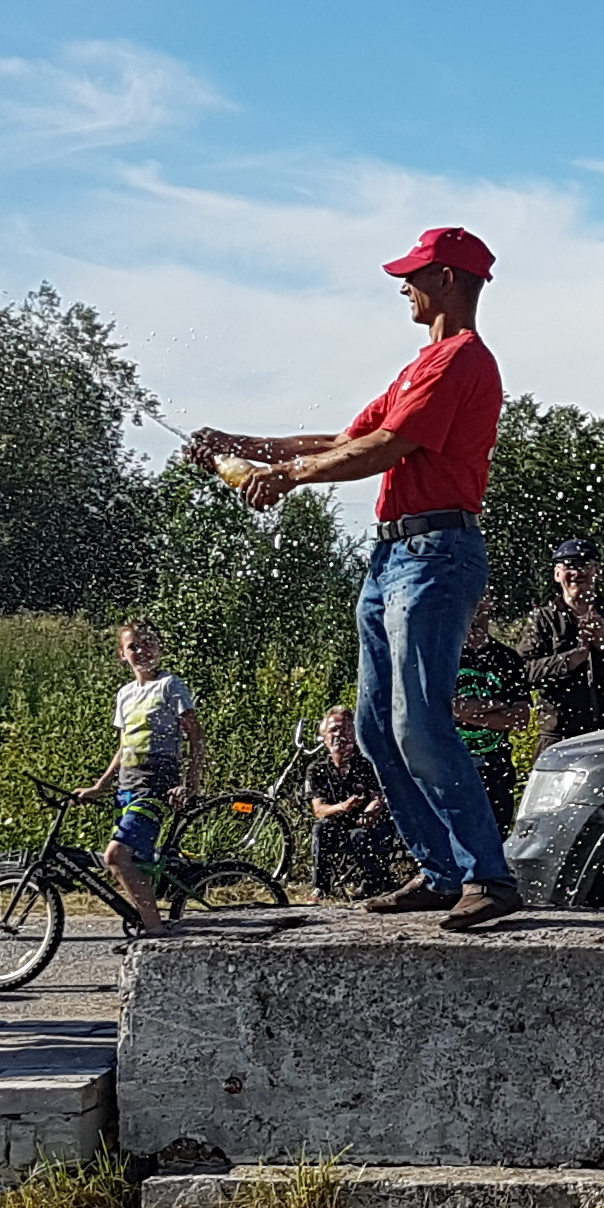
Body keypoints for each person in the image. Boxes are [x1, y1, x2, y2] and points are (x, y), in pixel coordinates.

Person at [192, 226, 522, 931]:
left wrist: (283, 477)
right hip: (392, 560)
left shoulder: (462, 360)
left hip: (436, 554)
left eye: (413, 274)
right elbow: (347, 438)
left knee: (419, 722)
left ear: (448, 280)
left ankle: (487, 878)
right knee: (375, 729)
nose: (401, 285)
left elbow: (387, 447)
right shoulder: (418, 367)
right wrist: (244, 446)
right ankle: (439, 874)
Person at [95, 620, 205, 934]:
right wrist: (101, 785)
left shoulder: (171, 685)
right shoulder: (125, 694)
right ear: (122, 654)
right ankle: (148, 924)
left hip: (155, 787)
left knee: (116, 857)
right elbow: (124, 745)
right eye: (133, 646)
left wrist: (191, 783)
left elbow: (196, 737)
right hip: (127, 787)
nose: (141, 650)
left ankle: (156, 933)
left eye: (148, 643)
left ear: (160, 648)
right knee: (135, 863)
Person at [514, 536, 604, 747]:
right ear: (557, 574)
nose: (577, 574)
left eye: (585, 566)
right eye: (569, 567)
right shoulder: (543, 619)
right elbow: (523, 672)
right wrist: (571, 659)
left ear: (598, 572)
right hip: (560, 736)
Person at [452, 579, 530, 836]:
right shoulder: (444, 656)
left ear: (490, 603)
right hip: (453, 765)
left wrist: (470, 711)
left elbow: (520, 719)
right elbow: (446, 709)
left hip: (496, 766)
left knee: (496, 841)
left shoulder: (507, 659)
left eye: (481, 596)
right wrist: (494, 707)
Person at [300, 704, 403, 898]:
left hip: (370, 824)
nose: (340, 735)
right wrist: (343, 807)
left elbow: (379, 796)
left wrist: (370, 811)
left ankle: (374, 884)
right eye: (333, 730)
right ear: (324, 737)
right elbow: (319, 809)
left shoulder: (366, 763)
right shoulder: (317, 769)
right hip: (340, 822)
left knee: (360, 835)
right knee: (321, 828)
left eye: (347, 729)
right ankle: (321, 888)